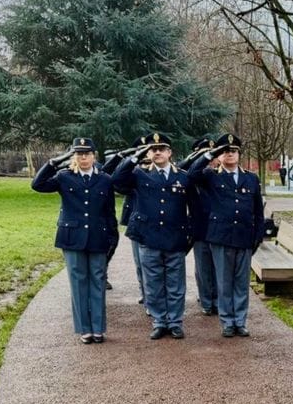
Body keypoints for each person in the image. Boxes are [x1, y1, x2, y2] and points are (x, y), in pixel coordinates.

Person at [31, 138, 118, 344]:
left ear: (94, 156)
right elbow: (38, 185)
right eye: (78, 154)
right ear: (73, 157)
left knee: (97, 281)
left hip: (98, 236)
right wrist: (52, 163)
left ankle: (98, 328)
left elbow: (109, 211)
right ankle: (84, 329)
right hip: (72, 238)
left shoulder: (105, 179)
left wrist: (113, 237)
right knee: (78, 282)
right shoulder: (64, 176)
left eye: (87, 153)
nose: (83, 157)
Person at [111, 132, 193, 340]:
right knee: (153, 283)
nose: (157, 152)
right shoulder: (139, 174)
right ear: (148, 153)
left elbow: (194, 207)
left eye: (161, 149)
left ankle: (175, 321)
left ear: (169, 152)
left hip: (175, 237)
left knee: (176, 284)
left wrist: (190, 235)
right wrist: (134, 157)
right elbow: (116, 180)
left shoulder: (182, 176)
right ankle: (159, 321)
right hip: (149, 238)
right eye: (153, 149)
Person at [186, 133, 264, 338]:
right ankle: (227, 322)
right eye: (224, 151)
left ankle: (240, 321)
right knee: (224, 281)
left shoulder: (251, 178)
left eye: (233, 151)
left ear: (239, 154)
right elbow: (191, 174)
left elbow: (258, 210)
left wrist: (258, 235)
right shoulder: (211, 176)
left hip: (244, 237)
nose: (229, 154)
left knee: (241, 282)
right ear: (218, 156)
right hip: (220, 237)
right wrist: (208, 154)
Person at [103, 136, 147, 307]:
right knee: (139, 260)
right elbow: (115, 182)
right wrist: (125, 159)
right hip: (135, 215)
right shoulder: (130, 169)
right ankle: (144, 291)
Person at [186, 137, 219, 316]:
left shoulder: (219, 175)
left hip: (218, 228)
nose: (211, 160)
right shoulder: (195, 175)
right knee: (203, 267)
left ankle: (217, 299)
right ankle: (207, 301)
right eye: (207, 155)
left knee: (218, 267)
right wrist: (200, 157)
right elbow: (189, 171)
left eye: (214, 155)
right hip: (200, 228)